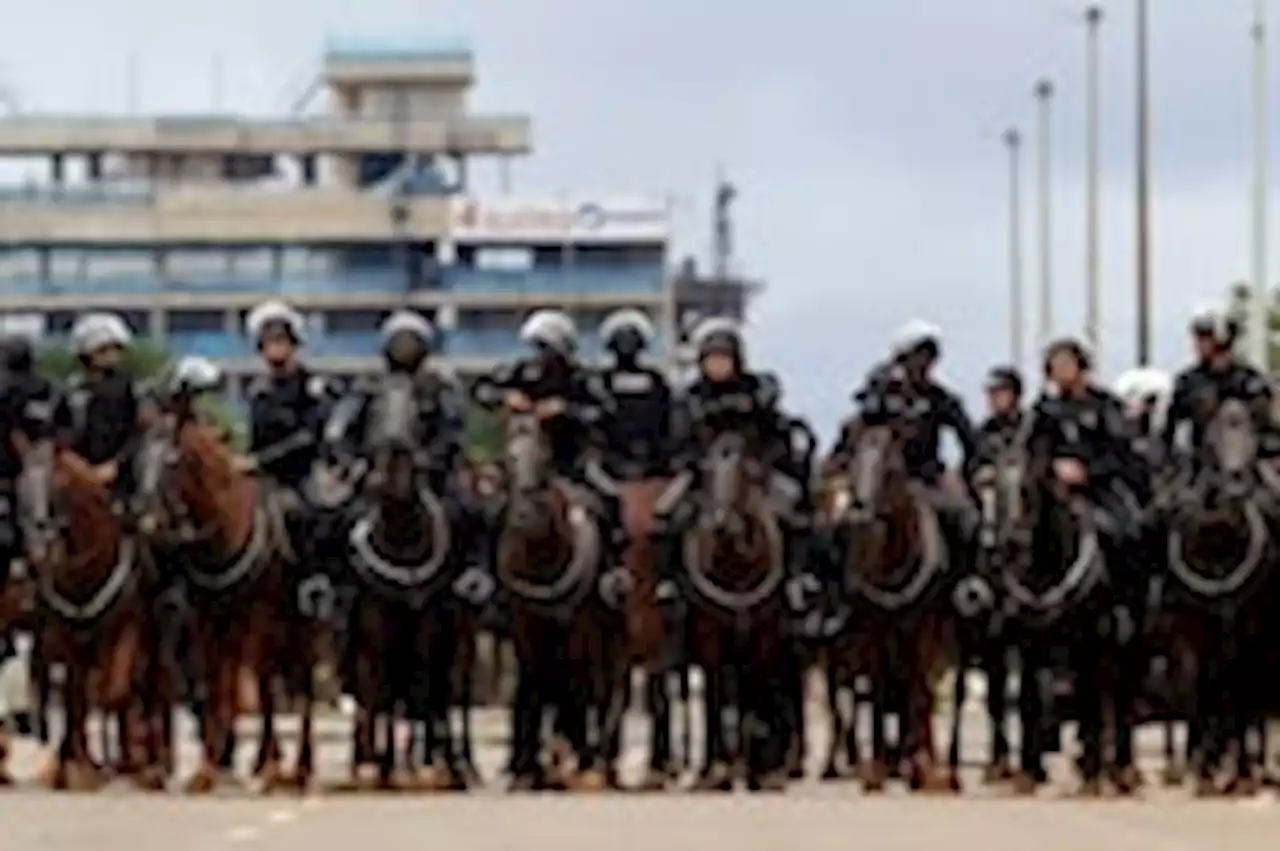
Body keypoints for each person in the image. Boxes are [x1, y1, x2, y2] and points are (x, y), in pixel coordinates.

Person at [323, 310, 492, 605]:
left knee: (468, 511)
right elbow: (339, 431)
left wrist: (431, 460)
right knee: (333, 517)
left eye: (411, 342)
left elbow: (452, 431)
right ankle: (335, 585)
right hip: (374, 475)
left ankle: (472, 574)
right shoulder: (367, 387)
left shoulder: (441, 388)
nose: (404, 349)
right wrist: (353, 464)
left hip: (430, 476)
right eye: (398, 342)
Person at [656, 316, 815, 603]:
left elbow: (778, 434)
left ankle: (797, 577)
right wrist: (693, 463)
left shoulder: (757, 391)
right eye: (711, 359)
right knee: (668, 513)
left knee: (795, 507)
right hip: (703, 474)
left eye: (724, 358)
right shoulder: (691, 398)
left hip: (754, 473)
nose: (718, 365)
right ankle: (671, 582)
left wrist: (767, 461)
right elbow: (679, 440)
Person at [584, 309, 676, 608]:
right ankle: (606, 572)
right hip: (607, 470)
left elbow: (670, 426)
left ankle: (669, 578)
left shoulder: (658, 382)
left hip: (658, 470)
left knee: (680, 518)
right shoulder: (597, 383)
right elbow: (591, 425)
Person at [1028, 338, 1144, 543]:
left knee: (1128, 530)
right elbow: (1033, 449)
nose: (1060, 371)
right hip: (1053, 487)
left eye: (1066, 364)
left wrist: (1087, 472)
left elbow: (1120, 451)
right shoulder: (1043, 411)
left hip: (1099, 484)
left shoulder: (1104, 405)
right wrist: (1053, 468)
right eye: (1055, 367)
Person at [241, 299, 331, 556]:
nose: (275, 347)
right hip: (264, 475)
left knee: (316, 516)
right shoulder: (258, 392)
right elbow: (255, 438)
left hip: (304, 472)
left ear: (293, 344)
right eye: (268, 341)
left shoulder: (313, 386)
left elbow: (309, 437)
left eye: (280, 340)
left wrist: (260, 461)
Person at [51, 312, 145, 528]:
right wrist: (78, 467)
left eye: (116, 349)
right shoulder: (70, 391)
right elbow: (59, 434)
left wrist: (116, 465)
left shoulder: (130, 389)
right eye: (104, 349)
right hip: (77, 474)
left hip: (122, 475)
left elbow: (137, 433)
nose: (112, 355)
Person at [1161, 307, 1276, 464]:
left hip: (1251, 458)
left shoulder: (1249, 378)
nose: (1197, 345)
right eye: (1198, 339)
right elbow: (1172, 424)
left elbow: (1267, 418)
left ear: (1221, 340)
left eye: (1204, 339)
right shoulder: (1188, 381)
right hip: (1201, 460)